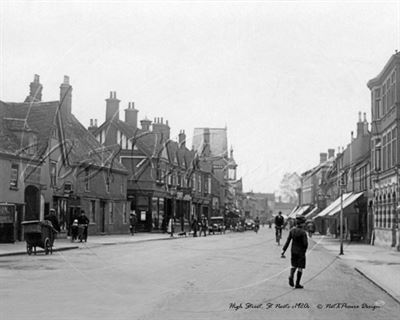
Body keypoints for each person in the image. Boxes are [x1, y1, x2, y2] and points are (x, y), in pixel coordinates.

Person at [281, 215, 308, 289]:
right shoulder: (303, 232)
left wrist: (283, 250)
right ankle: (297, 283)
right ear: (302, 224)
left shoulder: (292, 230)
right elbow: (305, 244)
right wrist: (304, 251)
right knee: (300, 267)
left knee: (293, 265)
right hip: (301, 252)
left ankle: (291, 275)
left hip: (293, 251)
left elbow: (288, 241)